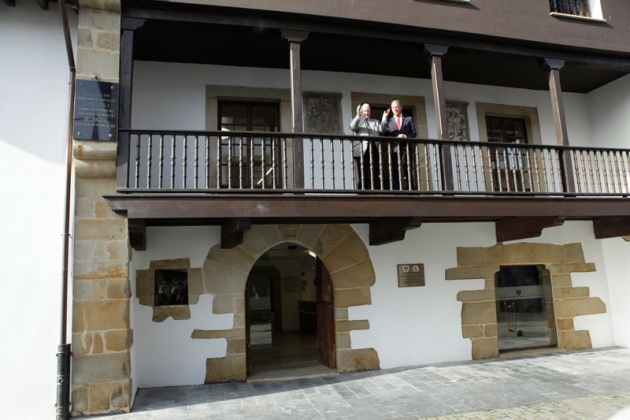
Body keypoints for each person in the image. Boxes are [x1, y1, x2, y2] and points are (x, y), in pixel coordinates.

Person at [382, 99, 417, 190]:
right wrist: (397, 137)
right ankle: (397, 189)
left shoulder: (408, 119)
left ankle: (411, 189)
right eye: (393, 107)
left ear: (401, 107)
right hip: (394, 148)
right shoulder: (388, 121)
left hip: (406, 148)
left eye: (397, 107)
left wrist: (406, 136)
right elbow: (386, 134)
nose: (395, 109)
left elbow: (414, 133)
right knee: (395, 169)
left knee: (408, 169)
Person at [349, 103, 384, 189]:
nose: (366, 113)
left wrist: (385, 118)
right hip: (361, 149)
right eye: (365, 111)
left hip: (374, 148)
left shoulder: (375, 121)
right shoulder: (357, 121)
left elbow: (382, 130)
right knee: (362, 173)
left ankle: (375, 191)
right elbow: (352, 127)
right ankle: (362, 192)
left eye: (368, 111)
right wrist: (358, 116)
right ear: (361, 111)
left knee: (375, 172)